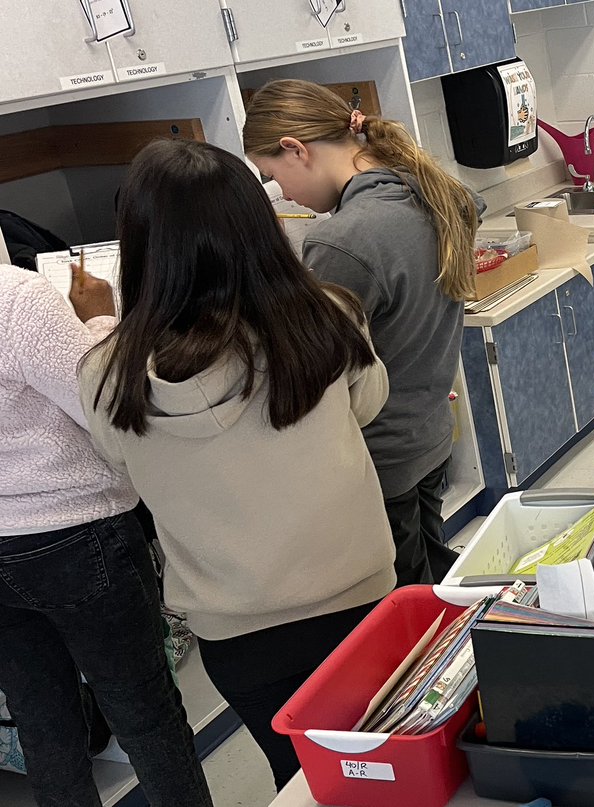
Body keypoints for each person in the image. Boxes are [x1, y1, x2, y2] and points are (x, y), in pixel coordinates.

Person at [79, 139, 397, 789]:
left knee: (304, 781)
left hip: (238, 632)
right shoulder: (328, 316)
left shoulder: (109, 372)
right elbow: (367, 404)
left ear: (139, 246)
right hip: (358, 596)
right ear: (259, 227)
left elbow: (120, 460)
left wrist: (101, 326)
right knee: (388, 767)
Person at [242, 80, 483, 587]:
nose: (285, 195)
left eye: (274, 176)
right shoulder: (433, 192)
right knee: (431, 582)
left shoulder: (342, 240)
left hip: (380, 457)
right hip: (428, 436)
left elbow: (317, 367)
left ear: (296, 149)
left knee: (403, 605)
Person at [0, 261, 213, 806]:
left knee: (42, 723)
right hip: (74, 529)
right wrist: (100, 320)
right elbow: (110, 404)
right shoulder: (16, 297)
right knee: (145, 714)